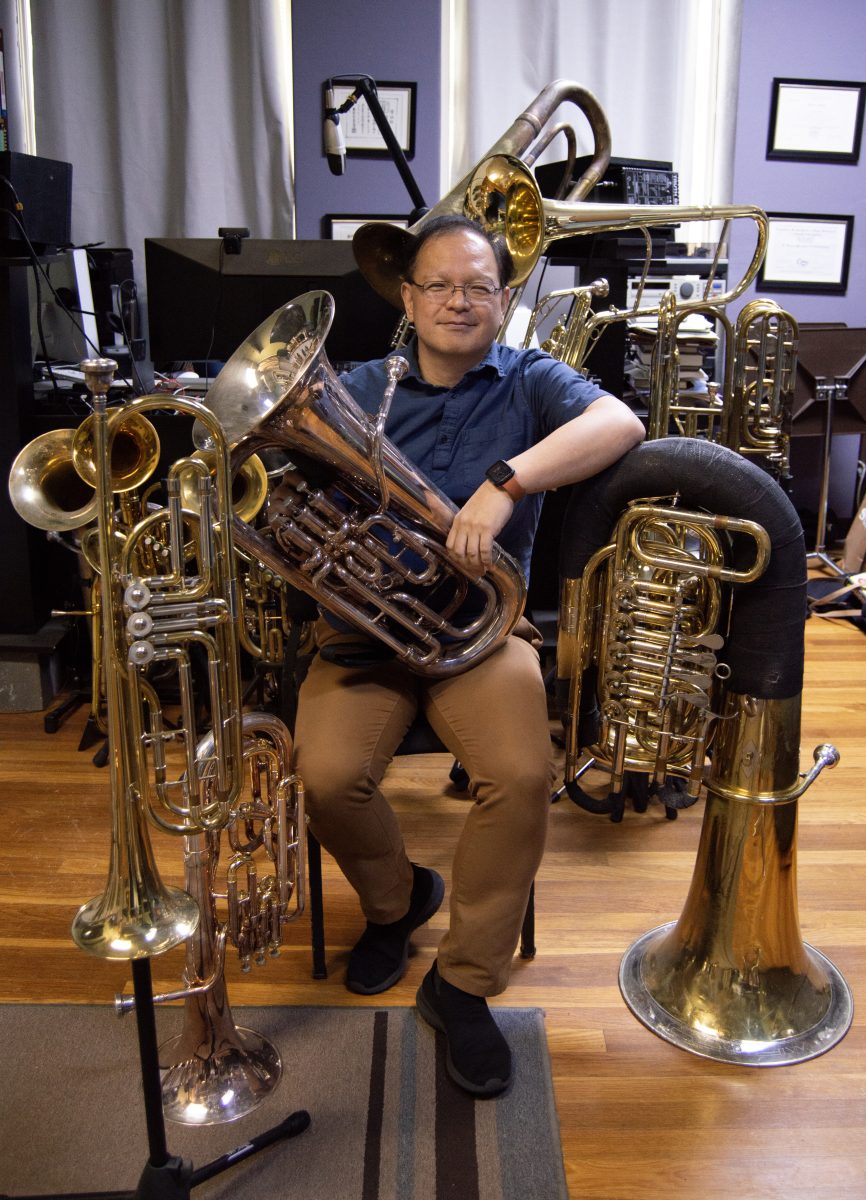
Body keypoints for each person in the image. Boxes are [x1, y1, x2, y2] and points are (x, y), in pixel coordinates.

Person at [294, 214, 645, 1097]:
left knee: (522, 776)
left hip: (483, 635)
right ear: (408, 297)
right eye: (440, 285)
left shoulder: (529, 379)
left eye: (479, 287)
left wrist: (505, 484)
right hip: (362, 633)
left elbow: (621, 422)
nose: (459, 300)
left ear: (502, 300)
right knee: (329, 778)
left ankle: (463, 982)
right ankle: (395, 901)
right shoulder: (354, 387)